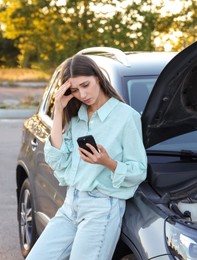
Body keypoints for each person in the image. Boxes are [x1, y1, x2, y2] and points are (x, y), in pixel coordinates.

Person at [26, 55, 147, 260]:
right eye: (74, 90)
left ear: (98, 78)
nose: (82, 94)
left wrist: (106, 162)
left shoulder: (126, 116)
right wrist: (58, 110)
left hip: (101, 208)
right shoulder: (77, 117)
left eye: (86, 85)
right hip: (71, 204)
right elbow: (58, 161)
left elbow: (139, 170)